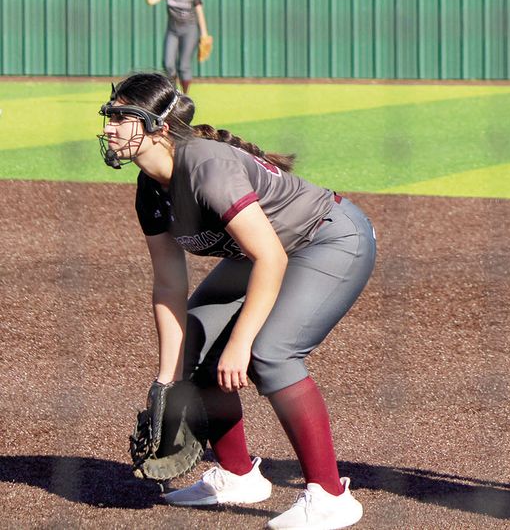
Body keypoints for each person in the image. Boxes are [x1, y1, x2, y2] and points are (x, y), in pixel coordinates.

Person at [98, 73, 375, 529]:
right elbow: (169, 287)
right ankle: (239, 475)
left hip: (329, 238)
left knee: (271, 353)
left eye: (123, 117)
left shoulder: (205, 166)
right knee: (196, 346)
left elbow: (270, 256)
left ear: (159, 128)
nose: (110, 127)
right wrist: (166, 382)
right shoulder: (150, 190)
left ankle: (329, 496)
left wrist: (240, 343)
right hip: (267, 252)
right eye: (109, 115)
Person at [145, 0, 210, 93]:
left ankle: (185, 95)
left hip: (189, 31)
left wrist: (204, 34)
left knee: (183, 66)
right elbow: (151, 1)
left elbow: (199, 13)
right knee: (168, 64)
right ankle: (174, 92)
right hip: (173, 30)